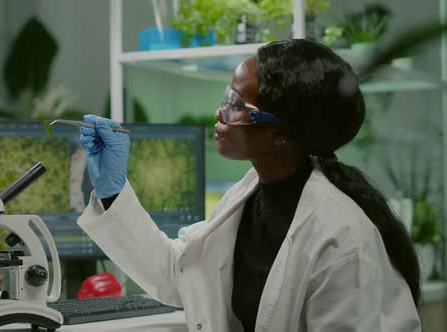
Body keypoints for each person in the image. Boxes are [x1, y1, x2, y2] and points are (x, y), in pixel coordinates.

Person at [77, 39, 421, 332]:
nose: (219, 113)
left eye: (237, 105)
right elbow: (177, 272)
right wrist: (112, 191)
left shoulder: (342, 239)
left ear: (281, 132)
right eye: (228, 97)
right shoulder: (251, 194)